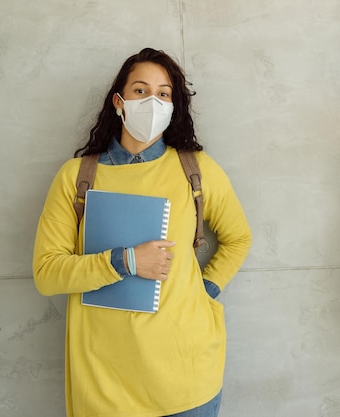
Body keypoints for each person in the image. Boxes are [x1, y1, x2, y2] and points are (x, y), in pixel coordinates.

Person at [33, 47, 252, 417]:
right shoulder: (76, 177)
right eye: (140, 90)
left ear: (173, 105)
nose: (152, 101)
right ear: (119, 101)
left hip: (188, 377)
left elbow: (238, 238)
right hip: (104, 385)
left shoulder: (197, 170)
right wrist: (125, 261)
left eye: (163, 94)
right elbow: (47, 274)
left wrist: (205, 290)